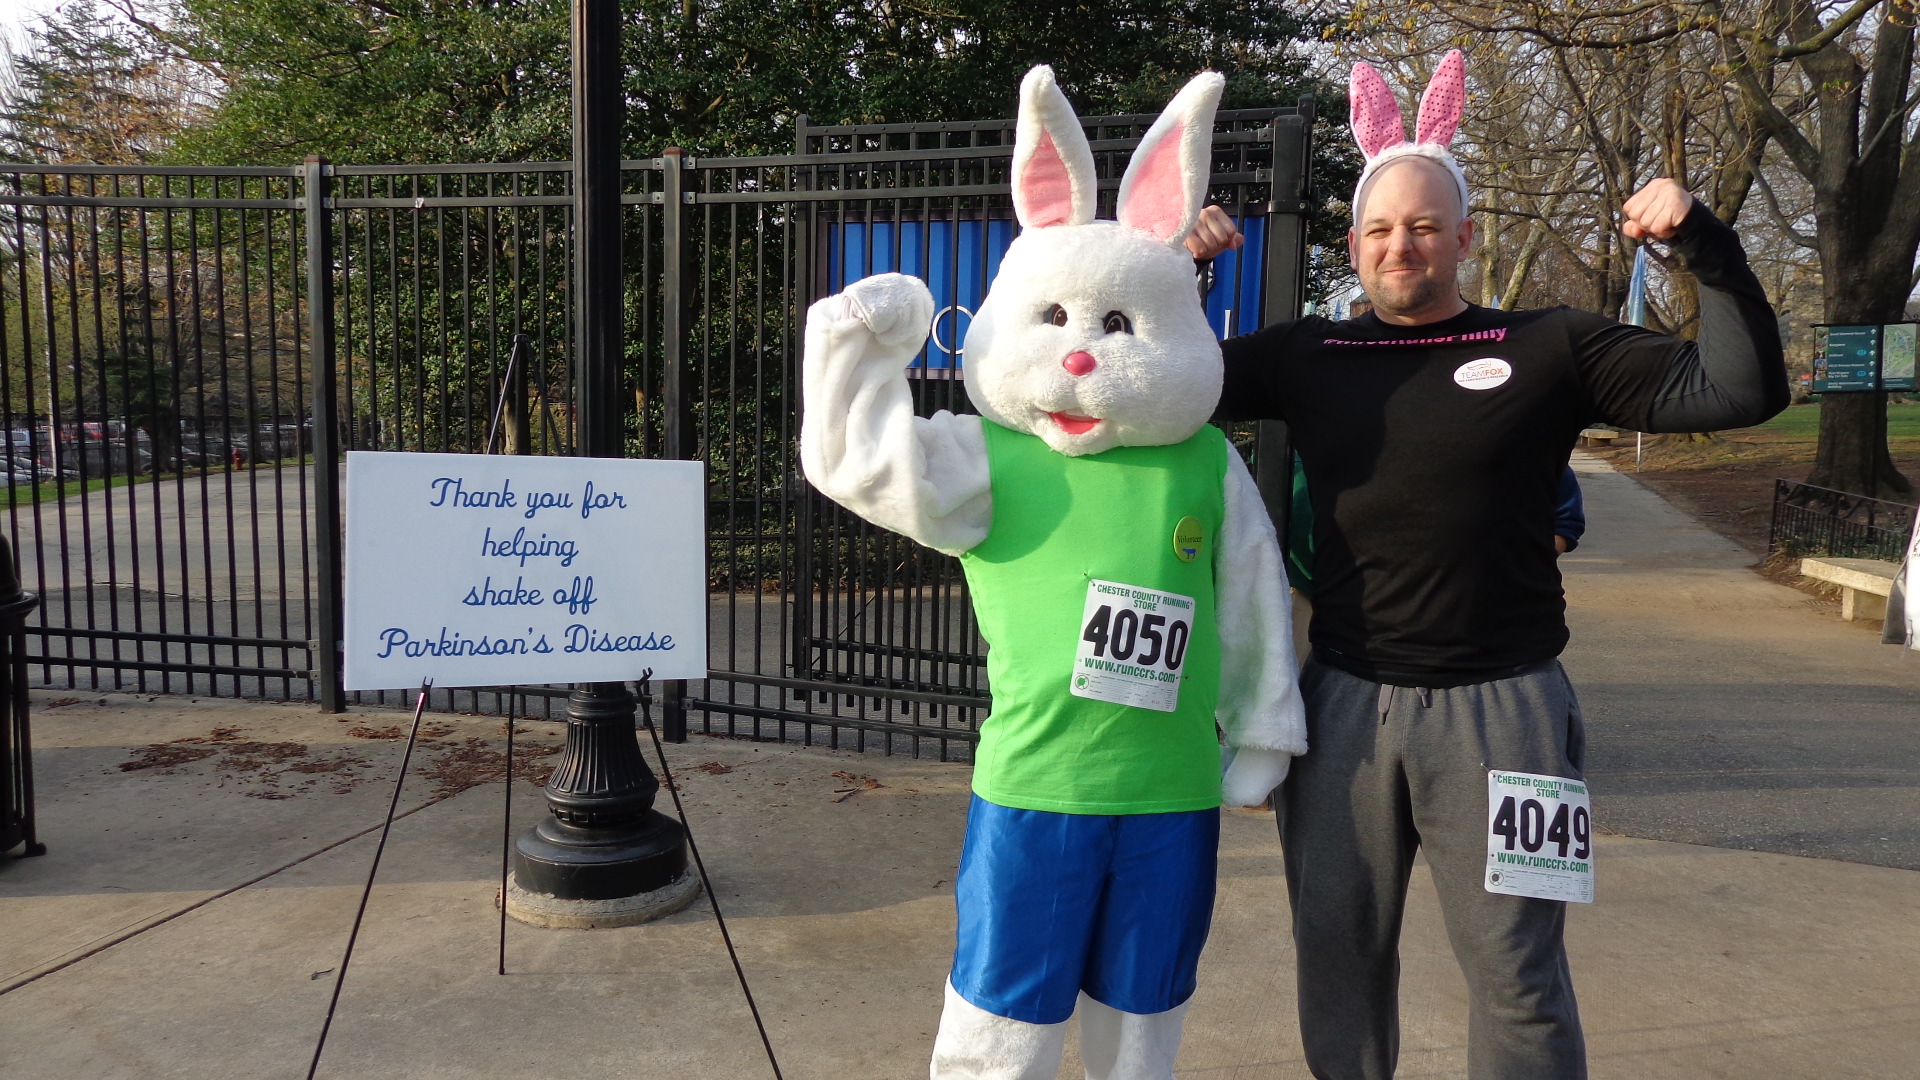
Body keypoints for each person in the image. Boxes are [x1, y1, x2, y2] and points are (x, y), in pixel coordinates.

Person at [1186, 53, 1786, 1080]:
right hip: (1342, 714)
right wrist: (1178, 267)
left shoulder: (1550, 344)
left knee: (1519, 979)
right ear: (1353, 245)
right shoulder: (1309, 356)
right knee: (1336, 960)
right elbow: (1156, 385)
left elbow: (1740, 390)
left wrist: (1706, 245)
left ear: (1464, 236)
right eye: (1379, 228)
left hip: (1506, 717)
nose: (1400, 244)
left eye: (1424, 225)